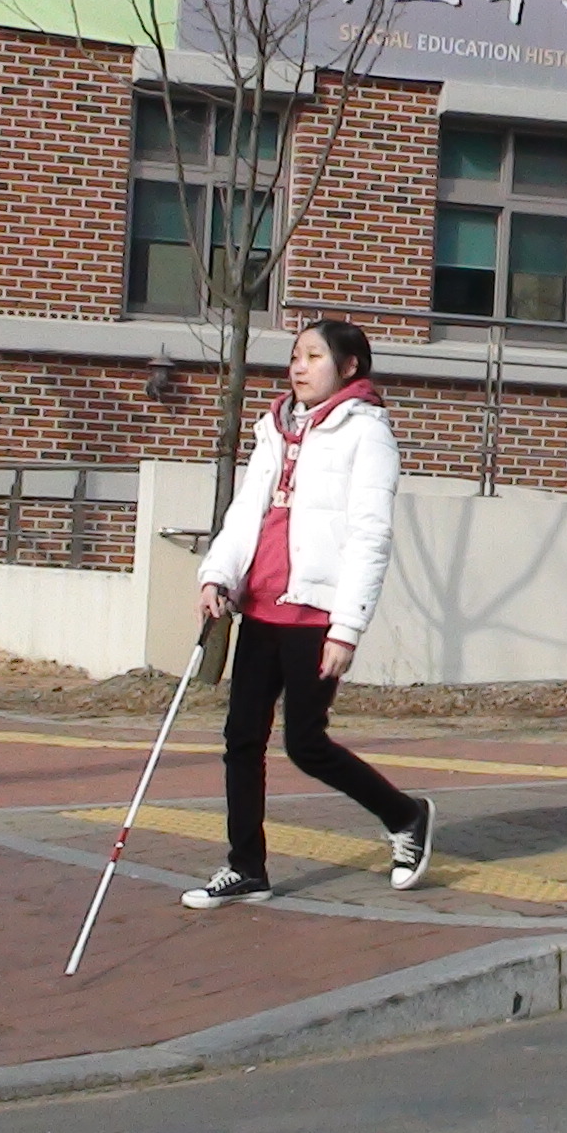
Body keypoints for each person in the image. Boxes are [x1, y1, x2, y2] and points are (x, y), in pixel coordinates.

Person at [183, 318, 435, 907]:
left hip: (315, 614)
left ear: (349, 367)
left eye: (314, 357)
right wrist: (218, 574)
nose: (299, 367)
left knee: (305, 743)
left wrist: (347, 629)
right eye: (296, 355)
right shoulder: (275, 428)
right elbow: (247, 512)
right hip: (261, 607)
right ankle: (246, 866)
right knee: (241, 738)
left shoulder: (366, 432)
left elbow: (370, 535)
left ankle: (406, 816)